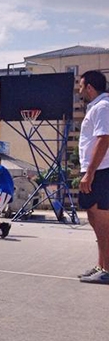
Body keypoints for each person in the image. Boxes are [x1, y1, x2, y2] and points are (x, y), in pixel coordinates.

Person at [76, 70, 109, 284]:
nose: (79, 90)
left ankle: (107, 270)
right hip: (95, 171)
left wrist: (90, 172)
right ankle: (101, 265)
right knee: (95, 221)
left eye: (81, 86)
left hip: (101, 171)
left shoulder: (103, 107)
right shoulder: (96, 107)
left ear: (89, 87)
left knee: (103, 223)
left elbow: (104, 139)